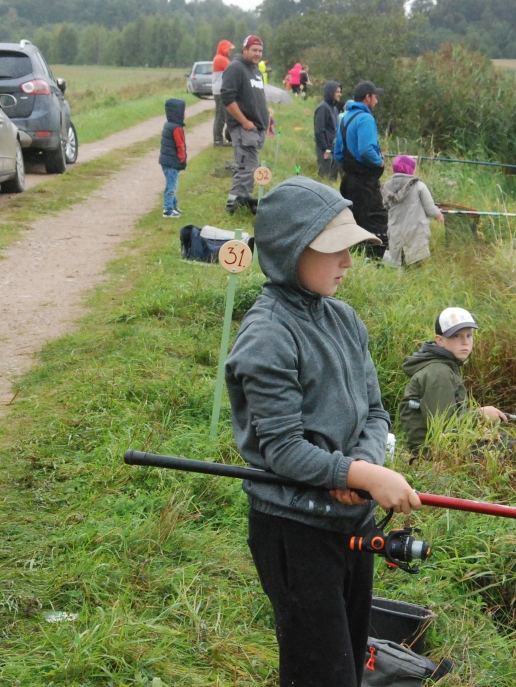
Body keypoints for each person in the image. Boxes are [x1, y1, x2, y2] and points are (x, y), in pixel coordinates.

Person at [225, 176, 421, 687]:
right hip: (295, 530)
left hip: (351, 521)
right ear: (291, 251)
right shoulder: (267, 334)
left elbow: (375, 412)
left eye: (350, 249)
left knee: (349, 662)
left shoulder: (346, 319)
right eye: (334, 250)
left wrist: (362, 469)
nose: (348, 263)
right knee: (319, 672)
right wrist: (350, 470)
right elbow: (284, 450)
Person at [399, 307, 508, 454]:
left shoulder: (445, 366)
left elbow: (452, 416)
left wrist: (477, 428)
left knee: (504, 440)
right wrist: (480, 414)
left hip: (445, 444)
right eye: (456, 336)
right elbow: (442, 426)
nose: (465, 342)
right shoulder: (438, 373)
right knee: (514, 450)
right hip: (433, 453)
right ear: (440, 340)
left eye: (469, 335)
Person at [334, 81, 388, 258]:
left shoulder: (345, 117)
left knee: (353, 221)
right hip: (365, 183)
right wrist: (379, 161)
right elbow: (366, 150)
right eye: (375, 97)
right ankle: (374, 263)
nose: (377, 101)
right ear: (368, 97)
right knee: (376, 221)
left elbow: (338, 153)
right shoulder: (366, 118)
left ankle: (353, 259)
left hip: (348, 181)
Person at [222, 35, 269, 215]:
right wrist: (244, 122)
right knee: (246, 168)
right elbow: (227, 98)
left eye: (260, 51)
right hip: (243, 129)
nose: (257, 54)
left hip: (256, 129)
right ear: (245, 50)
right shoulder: (236, 68)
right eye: (254, 50)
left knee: (250, 167)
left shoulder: (255, 70)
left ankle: (242, 202)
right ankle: (233, 207)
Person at [381, 155, 444, 267]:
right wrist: (437, 213)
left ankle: (401, 277)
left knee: (399, 261)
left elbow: (385, 205)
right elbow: (429, 208)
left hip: (396, 230)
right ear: (410, 169)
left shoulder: (387, 186)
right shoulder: (418, 185)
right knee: (416, 261)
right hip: (415, 230)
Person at [158, 98, 187, 219]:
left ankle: (173, 205)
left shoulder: (168, 125)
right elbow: (180, 145)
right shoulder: (176, 128)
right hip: (172, 161)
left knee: (171, 183)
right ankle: (168, 209)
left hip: (165, 161)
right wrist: (182, 159)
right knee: (172, 186)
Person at [314, 80, 342, 181]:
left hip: (333, 149)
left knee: (332, 179)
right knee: (324, 179)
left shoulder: (334, 108)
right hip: (325, 150)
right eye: (337, 92)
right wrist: (325, 149)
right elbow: (319, 130)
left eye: (340, 92)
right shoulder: (323, 108)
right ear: (330, 92)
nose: (340, 94)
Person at [211, 39, 233, 147]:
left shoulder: (221, 58)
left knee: (221, 114)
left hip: (220, 90)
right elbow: (233, 70)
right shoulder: (221, 59)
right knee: (221, 115)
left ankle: (219, 139)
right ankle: (218, 140)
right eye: (229, 49)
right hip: (220, 91)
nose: (230, 51)